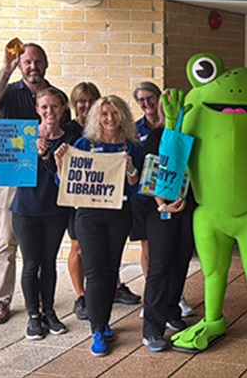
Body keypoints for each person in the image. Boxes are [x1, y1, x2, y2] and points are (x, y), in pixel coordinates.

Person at [0, 41, 67, 325]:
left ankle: (42, 302)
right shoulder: (9, 91)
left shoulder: (55, 96)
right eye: (27, 62)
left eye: (38, 61)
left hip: (43, 181)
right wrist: (5, 70)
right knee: (6, 241)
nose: (33, 66)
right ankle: (1, 300)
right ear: (20, 65)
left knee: (41, 250)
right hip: (13, 175)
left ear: (46, 64)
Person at [55, 95, 143, 357]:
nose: (110, 119)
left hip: (118, 214)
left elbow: (136, 185)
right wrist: (60, 164)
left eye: (115, 114)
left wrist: (130, 170)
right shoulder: (84, 143)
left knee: (110, 270)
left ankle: (103, 323)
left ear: (122, 117)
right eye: (104, 114)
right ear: (97, 117)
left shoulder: (131, 146)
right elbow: (66, 182)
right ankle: (97, 328)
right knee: (94, 273)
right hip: (89, 216)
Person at [11, 88, 78, 340]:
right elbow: (6, 162)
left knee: (49, 262)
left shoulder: (70, 139)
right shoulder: (24, 136)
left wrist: (48, 156)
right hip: (25, 210)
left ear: (62, 109)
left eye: (55, 107)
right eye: (44, 107)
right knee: (31, 263)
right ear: (37, 110)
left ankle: (49, 312)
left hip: (55, 210)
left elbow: (64, 178)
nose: (50, 111)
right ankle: (33, 316)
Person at [138, 91, 196, 351]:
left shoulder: (192, 138)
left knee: (181, 260)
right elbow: (150, 173)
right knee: (160, 267)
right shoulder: (156, 136)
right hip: (161, 209)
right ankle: (152, 328)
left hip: (187, 208)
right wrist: (162, 204)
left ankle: (172, 312)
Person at [61, 82, 101, 320]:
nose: (86, 105)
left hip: (102, 195)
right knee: (78, 247)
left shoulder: (103, 126)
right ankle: (80, 295)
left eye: (91, 100)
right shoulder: (68, 130)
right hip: (76, 197)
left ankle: (112, 287)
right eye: (81, 101)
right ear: (74, 104)